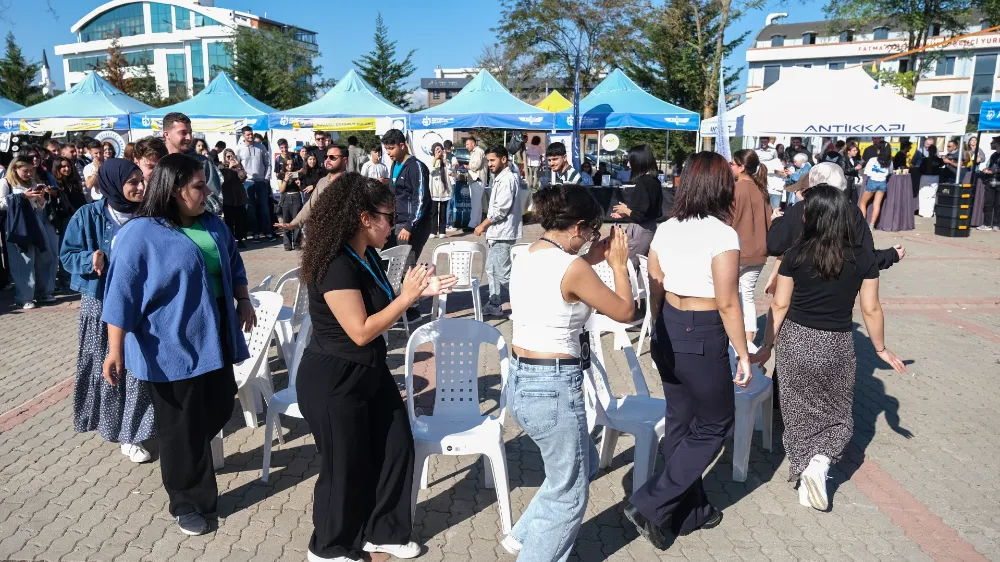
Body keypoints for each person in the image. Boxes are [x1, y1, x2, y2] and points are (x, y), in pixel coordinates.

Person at [296, 172, 456, 561]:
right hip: (335, 379)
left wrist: (422, 292)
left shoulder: (363, 253)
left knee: (397, 443)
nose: (395, 225)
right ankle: (328, 548)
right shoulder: (336, 264)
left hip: (368, 371)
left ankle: (383, 531)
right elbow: (361, 330)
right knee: (343, 467)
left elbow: (379, 306)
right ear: (364, 218)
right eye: (389, 216)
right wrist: (407, 298)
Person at [101, 153, 256, 537]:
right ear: (172, 190)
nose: (207, 193)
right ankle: (188, 502)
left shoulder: (213, 225)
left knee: (219, 404)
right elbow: (121, 294)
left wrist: (243, 299)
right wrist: (115, 349)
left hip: (214, 336)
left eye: (206, 185)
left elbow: (234, 264)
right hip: (167, 344)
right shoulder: (140, 234)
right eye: (198, 187)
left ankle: (187, 456)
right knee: (180, 427)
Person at [750, 185, 905, 511]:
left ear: (815, 216)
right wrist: (880, 349)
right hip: (836, 344)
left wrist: (767, 346)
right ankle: (821, 460)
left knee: (797, 412)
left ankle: (805, 466)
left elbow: (779, 305)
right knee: (836, 412)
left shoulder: (794, 255)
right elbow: (871, 308)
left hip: (795, 341)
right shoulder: (862, 256)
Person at [625, 152, 751, 550]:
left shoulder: (667, 227)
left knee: (681, 419)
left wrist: (659, 327)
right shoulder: (721, 234)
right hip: (702, 328)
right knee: (716, 423)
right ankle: (651, 500)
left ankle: (690, 510)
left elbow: (656, 281)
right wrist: (743, 352)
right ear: (720, 187)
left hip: (669, 323)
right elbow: (728, 301)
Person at [504, 184, 634, 561]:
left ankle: (524, 535)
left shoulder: (529, 253)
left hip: (522, 380)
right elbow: (625, 311)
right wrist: (618, 265)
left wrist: (590, 257)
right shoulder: (572, 267)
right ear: (577, 227)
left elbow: (562, 277)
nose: (594, 238)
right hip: (553, 387)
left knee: (583, 465)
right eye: (592, 232)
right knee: (570, 493)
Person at [61, 159, 155, 464]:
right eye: (133, 182)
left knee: (138, 371)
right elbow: (67, 255)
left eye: (142, 179)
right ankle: (114, 426)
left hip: (142, 304)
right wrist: (91, 258)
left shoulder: (151, 214)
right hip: (101, 304)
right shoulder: (88, 215)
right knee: (109, 370)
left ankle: (133, 433)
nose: (141, 187)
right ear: (113, 184)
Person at [0, 156, 59, 309]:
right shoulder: (5, 182)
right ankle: (24, 297)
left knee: (44, 256)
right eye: (25, 171)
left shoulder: (31, 182)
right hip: (16, 223)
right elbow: (1, 203)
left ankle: (44, 292)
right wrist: (22, 197)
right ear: (15, 169)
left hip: (34, 220)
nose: (28, 174)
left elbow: (39, 207)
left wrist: (40, 199)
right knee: (23, 260)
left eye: (30, 171)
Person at [474, 146, 523, 317]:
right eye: (488, 160)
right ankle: (494, 302)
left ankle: (523, 303)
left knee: (504, 273)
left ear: (504, 159)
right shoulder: (500, 178)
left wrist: (483, 225)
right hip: (497, 233)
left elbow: (500, 210)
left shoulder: (508, 178)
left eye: (492, 160)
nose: (489, 164)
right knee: (492, 270)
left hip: (503, 233)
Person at [730, 149, 773, 342]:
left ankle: (733, 337)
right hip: (758, 251)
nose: (730, 166)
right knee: (747, 295)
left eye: (733, 163)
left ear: (741, 167)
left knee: (729, 295)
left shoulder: (735, 189)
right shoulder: (761, 190)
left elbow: (727, 221)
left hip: (737, 251)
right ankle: (748, 338)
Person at [383, 129, 433, 260]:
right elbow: (396, 193)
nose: (388, 152)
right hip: (398, 222)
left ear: (402, 145)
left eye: (391, 148)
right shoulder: (395, 165)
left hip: (411, 224)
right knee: (385, 261)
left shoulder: (416, 167)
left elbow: (421, 199)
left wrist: (410, 226)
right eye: (386, 149)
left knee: (405, 268)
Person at [274, 145, 347, 233]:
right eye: (326, 157)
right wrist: (293, 224)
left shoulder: (353, 182)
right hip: (326, 233)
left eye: (332, 157)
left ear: (344, 160)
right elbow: (309, 206)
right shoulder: (322, 182)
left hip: (346, 233)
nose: (327, 160)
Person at [611, 145, 663, 266]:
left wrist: (626, 210)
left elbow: (641, 215)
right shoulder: (654, 180)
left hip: (641, 230)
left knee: (628, 265)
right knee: (641, 266)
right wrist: (627, 212)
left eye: (630, 161)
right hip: (649, 228)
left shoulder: (644, 182)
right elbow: (648, 210)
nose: (628, 165)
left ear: (639, 162)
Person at [162, 112, 223, 214]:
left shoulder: (202, 163)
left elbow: (215, 198)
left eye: (190, 132)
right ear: (167, 134)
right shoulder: (155, 160)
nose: (189, 138)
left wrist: (191, 212)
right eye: (183, 133)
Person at [236, 125, 274, 242]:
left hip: (261, 182)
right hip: (248, 183)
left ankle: (268, 231)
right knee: (250, 209)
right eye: (248, 134)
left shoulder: (261, 146)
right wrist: (241, 178)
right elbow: (237, 166)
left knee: (264, 208)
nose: (250, 136)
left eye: (251, 134)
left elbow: (268, 163)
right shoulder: (239, 149)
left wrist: (266, 178)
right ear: (243, 136)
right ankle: (255, 232)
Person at [220, 148, 250, 246]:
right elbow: (224, 179)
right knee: (229, 220)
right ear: (224, 157)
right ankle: (230, 240)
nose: (230, 158)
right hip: (228, 198)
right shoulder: (221, 167)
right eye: (228, 156)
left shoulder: (238, 166)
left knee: (240, 220)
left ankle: (240, 238)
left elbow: (243, 178)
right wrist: (229, 168)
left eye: (232, 156)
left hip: (239, 198)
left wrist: (238, 168)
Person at [277, 147, 304, 252]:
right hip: (286, 198)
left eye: (292, 164)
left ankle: (297, 243)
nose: (290, 166)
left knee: (297, 222)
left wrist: (299, 184)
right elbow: (281, 190)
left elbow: (302, 189)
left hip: (296, 196)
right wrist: (285, 179)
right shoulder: (281, 174)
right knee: (286, 221)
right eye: (288, 164)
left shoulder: (297, 174)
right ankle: (287, 244)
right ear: (284, 165)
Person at [860, 143, 892, 227]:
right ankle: (872, 225)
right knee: (877, 205)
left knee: (862, 203)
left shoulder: (873, 160)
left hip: (872, 182)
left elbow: (866, 172)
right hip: (882, 183)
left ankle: (862, 224)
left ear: (879, 151)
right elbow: (890, 172)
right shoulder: (889, 162)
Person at [428, 142, 452, 239]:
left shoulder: (445, 162)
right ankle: (433, 231)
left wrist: (444, 159)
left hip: (443, 189)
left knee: (443, 211)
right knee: (434, 212)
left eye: (440, 150)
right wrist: (435, 159)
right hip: (434, 189)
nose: (438, 152)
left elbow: (450, 170)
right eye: (436, 150)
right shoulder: (431, 161)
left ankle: (442, 231)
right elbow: (430, 170)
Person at [756, 138, 785, 210]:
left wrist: (775, 170)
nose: (763, 143)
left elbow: (776, 161)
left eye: (765, 142)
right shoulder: (756, 150)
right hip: (760, 174)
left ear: (768, 142)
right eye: (761, 142)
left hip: (771, 176)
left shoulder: (773, 150)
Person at [979, 137, 1000, 231]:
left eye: (993, 142)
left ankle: (996, 224)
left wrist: (993, 171)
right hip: (990, 181)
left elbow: (994, 169)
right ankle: (987, 224)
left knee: (998, 205)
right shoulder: (993, 155)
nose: (991, 143)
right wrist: (986, 169)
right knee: (988, 203)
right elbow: (990, 166)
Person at [917, 145, 943, 218]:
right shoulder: (938, 160)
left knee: (923, 194)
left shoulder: (925, 160)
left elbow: (920, 169)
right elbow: (942, 165)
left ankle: (922, 212)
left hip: (925, 176)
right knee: (932, 195)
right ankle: (929, 212)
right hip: (935, 177)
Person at [466, 136, 487, 225]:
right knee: (477, 204)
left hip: (477, 180)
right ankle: (477, 223)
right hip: (475, 180)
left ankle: (473, 224)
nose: (466, 146)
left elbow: (476, 165)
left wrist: (467, 167)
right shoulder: (475, 152)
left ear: (473, 144)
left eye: (467, 144)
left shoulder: (478, 152)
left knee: (475, 204)